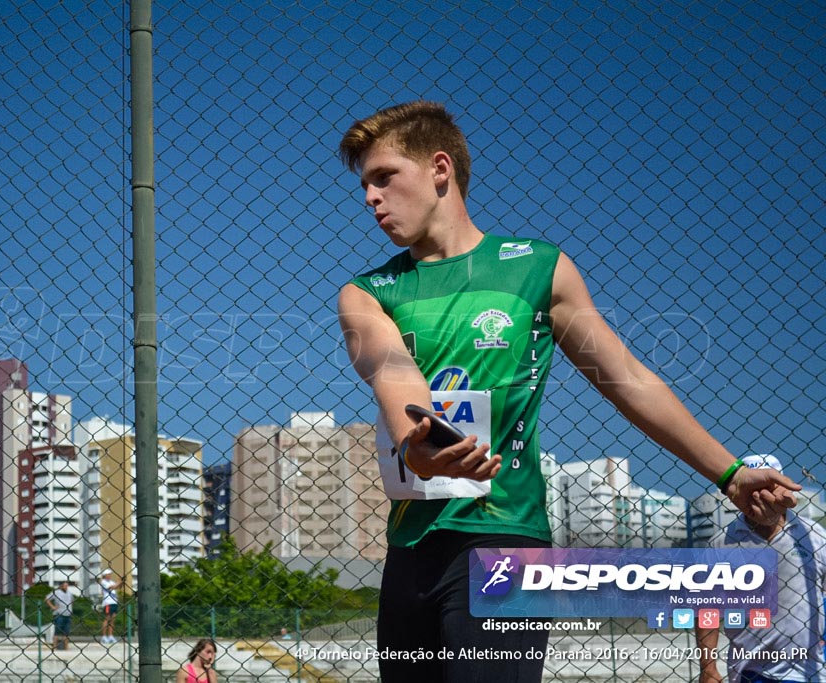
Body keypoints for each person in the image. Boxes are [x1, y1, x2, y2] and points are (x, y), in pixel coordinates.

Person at [336, 100, 800, 683]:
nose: (370, 198)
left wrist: (728, 474)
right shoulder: (367, 291)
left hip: (505, 539)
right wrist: (416, 444)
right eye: (365, 185)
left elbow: (625, 379)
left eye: (384, 178)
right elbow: (390, 372)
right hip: (409, 549)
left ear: (439, 168)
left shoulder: (538, 268)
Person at [696, 455, 826, 683]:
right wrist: (708, 668)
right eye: (753, 487)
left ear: (782, 487)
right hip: (749, 671)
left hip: (809, 670)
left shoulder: (814, 536)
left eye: (767, 486)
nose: (760, 496)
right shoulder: (722, 543)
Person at [46, 579, 75, 651]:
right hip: (59, 614)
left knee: (66, 633)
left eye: (67, 585)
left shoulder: (69, 593)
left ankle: (66, 648)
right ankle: (54, 648)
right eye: (64, 585)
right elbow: (47, 599)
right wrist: (53, 607)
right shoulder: (56, 592)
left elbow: (72, 600)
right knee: (57, 632)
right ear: (61, 586)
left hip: (67, 614)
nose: (66, 587)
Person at [98, 569, 121, 644]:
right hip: (107, 602)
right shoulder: (104, 582)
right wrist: (120, 580)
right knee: (107, 619)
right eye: (108, 574)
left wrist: (122, 581)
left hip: (114, 602)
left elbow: (118, 586)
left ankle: (110, 636)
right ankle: (104, 636)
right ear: (105, 575)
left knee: (113, 619)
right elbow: (112, 587)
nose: (110, 575)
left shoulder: (112, 582)